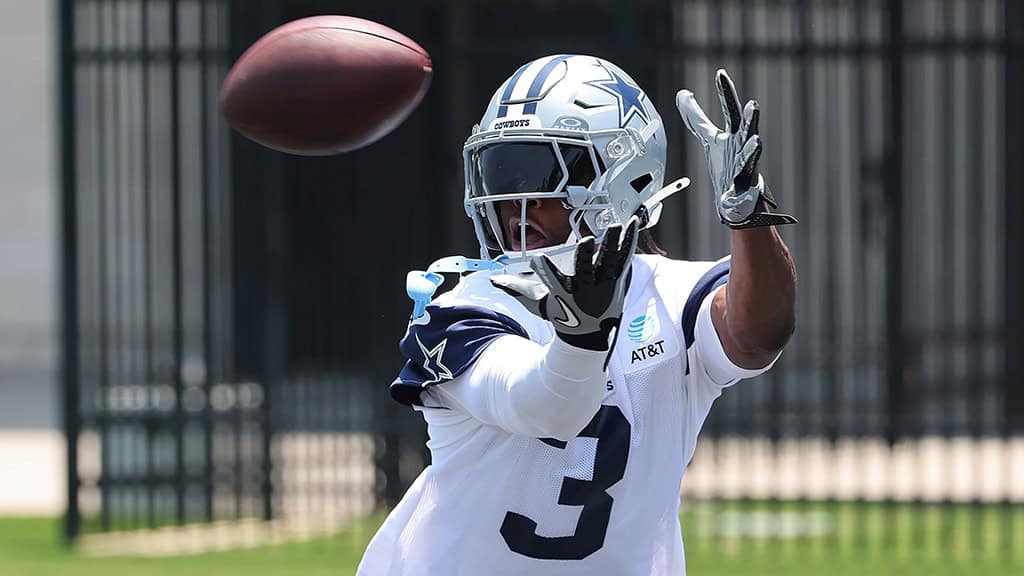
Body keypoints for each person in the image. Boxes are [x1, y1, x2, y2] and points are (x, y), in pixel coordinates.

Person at [356, 54, 797, 576]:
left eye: (540, 171)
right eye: (501, 171)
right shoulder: (467, 305)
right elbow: (546, 406)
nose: (516, 202)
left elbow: (758, 335)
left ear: (623, 176)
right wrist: (580, 338)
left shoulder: (670, 296)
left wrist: (748, 215)